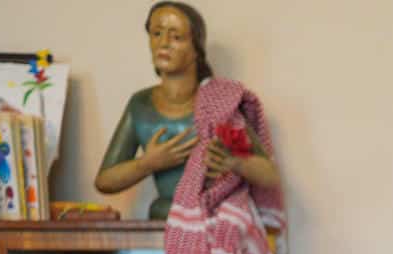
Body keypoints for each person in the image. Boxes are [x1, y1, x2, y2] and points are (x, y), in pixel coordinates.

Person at [96, 4, 280, 220]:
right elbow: (104, 180)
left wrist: (235, 162)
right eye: (156, 34)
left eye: (176, 37)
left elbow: (269, 175)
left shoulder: (219, 102)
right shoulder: (140, 104)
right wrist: (147, 163)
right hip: (161, 221)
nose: (163, 43)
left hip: (215, 216)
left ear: (196, 48)